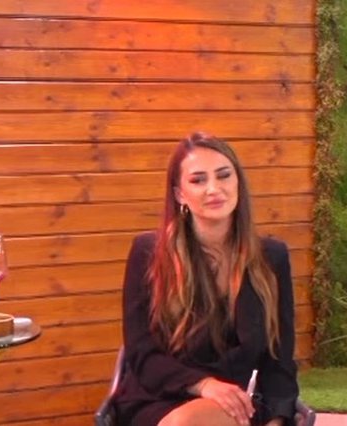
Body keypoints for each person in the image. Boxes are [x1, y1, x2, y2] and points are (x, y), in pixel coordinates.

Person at [113, 132, 298, 426]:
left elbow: (279, 361)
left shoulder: (272, 257)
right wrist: (204, 386)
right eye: (198, 180)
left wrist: (277, 420)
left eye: (224, 175)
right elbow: (142, 355)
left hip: (238, 401)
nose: (214, 189)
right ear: (179, 194)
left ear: (238, 183)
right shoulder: (149, 252)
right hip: (161, 396)